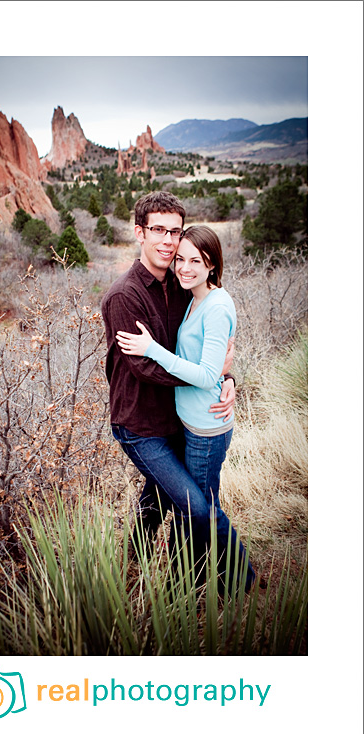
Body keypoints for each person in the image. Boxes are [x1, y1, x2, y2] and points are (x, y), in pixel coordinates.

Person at [101, 192, 240, 586]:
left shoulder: (183, 284)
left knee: (159, 498)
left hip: (181, 418)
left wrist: (224, 378)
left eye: (175, 232)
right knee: (196, 507)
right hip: (141, 426)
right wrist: (209, 375)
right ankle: (241, 572)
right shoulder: (123, 296)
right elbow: (144, 366)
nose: (167, 240)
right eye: (158, 230)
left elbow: (208, 346)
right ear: (139, 232)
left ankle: (138, 565)